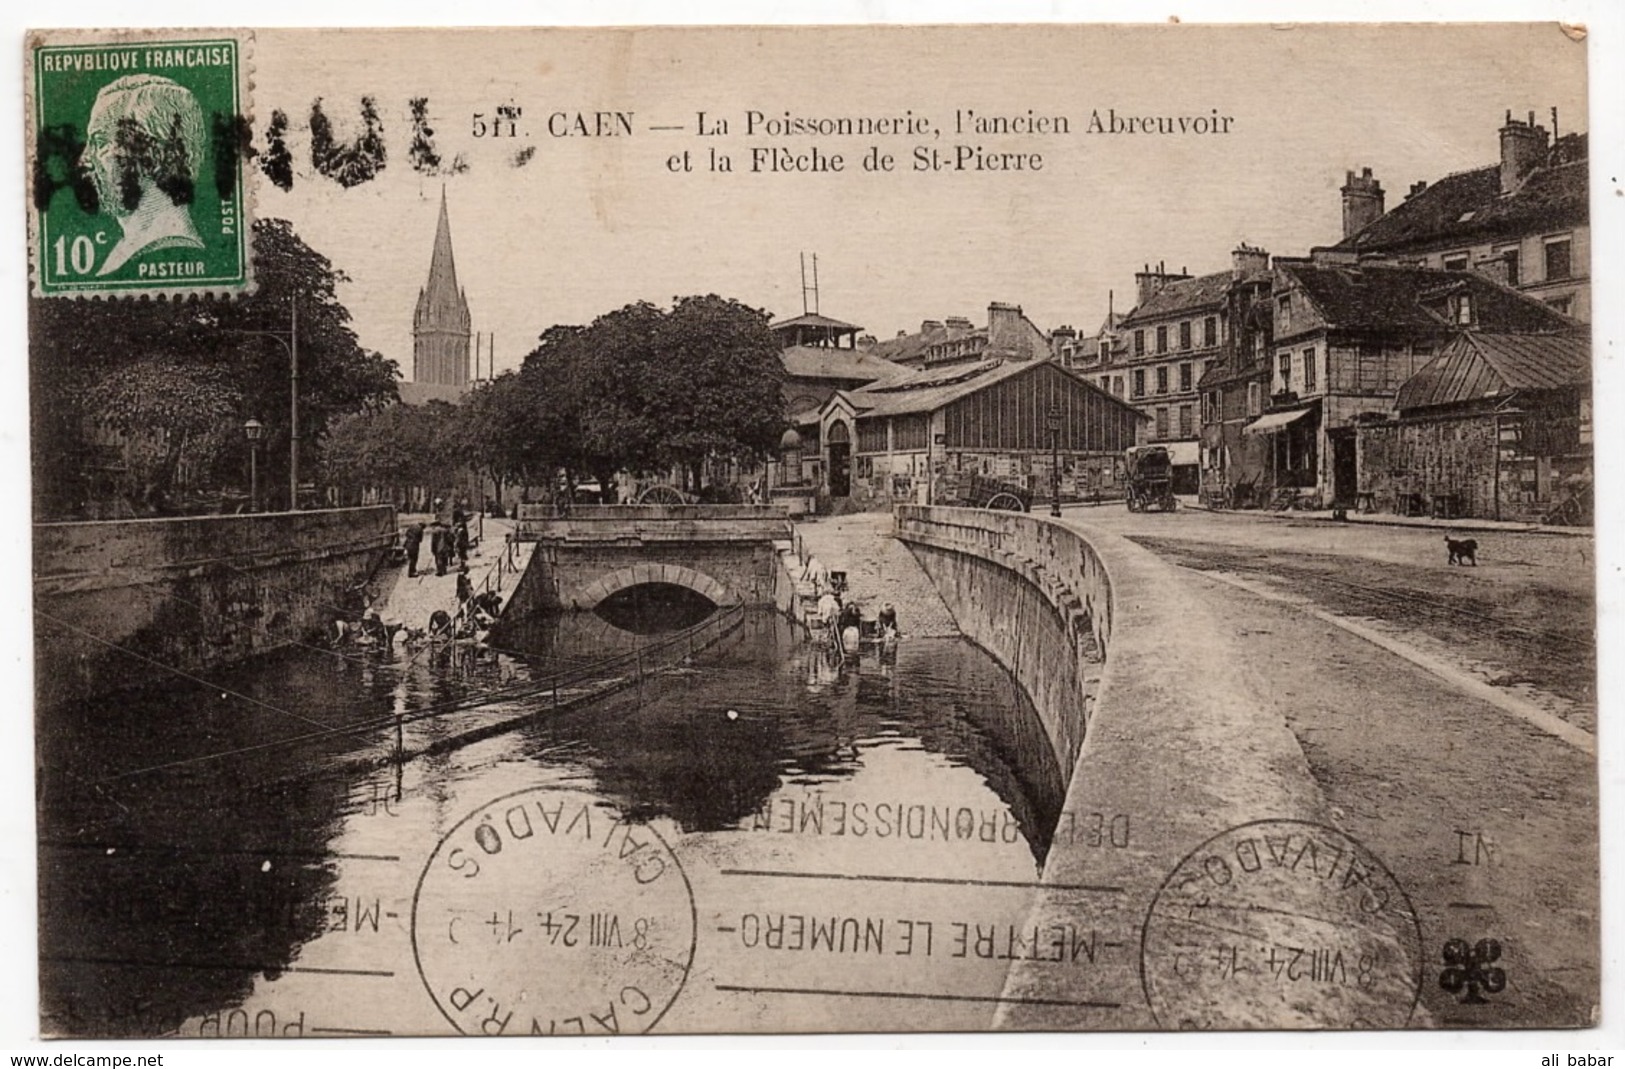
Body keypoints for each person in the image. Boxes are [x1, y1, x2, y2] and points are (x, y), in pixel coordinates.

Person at [83, 74, 207, 277]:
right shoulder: (126, 251)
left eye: (101, 141)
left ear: (154, 152)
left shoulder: (170, 251)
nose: (85, 160)